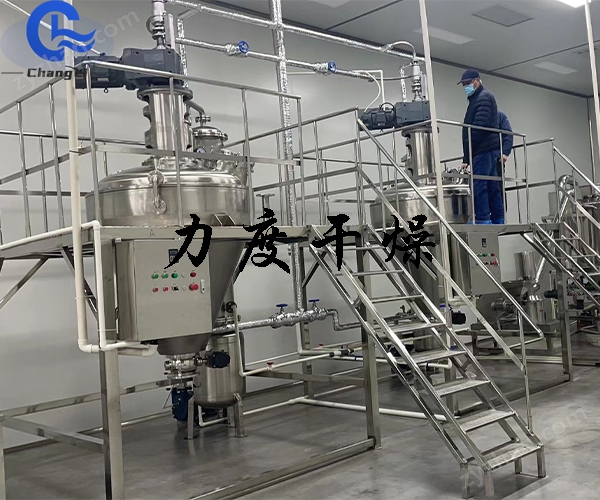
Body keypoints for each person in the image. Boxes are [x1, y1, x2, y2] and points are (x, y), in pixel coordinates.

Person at [458, 69, 504, 225]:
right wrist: (467, 157)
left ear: (477, 81)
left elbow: (478, 127)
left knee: (479, 185)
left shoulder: (483, 97)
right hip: (486, 149)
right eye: (463, 84)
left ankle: (483, 218)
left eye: (467, 83)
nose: (465, 87)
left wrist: (469, 152)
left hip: (482, 149)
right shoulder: (477, 98)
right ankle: (498, 218)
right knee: (491, 185)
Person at [497, 111, 514, 210]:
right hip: (480, 161)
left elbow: (508, 134)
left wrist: (505, 153)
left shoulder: (500, 116)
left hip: (496, 160)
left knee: (497, 188)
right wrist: (467, 159)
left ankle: (500, 215)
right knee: (481, 189)